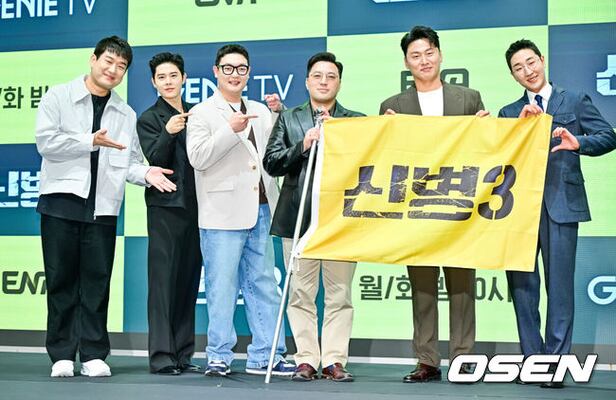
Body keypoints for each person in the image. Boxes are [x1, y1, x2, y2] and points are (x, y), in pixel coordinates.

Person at [35, 36, 176, 378]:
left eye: (121, 66)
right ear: (93, 59)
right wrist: (89, 141)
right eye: (108, 62)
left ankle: (94, 353)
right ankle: (62, 355)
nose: (113, 70)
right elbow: (46, 143)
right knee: (61, 282)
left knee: (97, 283)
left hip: (103, 209)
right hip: (61, 203)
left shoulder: (125, 113)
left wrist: (147, 173)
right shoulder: (58, 96)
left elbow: (128, 161)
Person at [499, 39, 616, 389]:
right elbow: (499, 158)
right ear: (512, 75)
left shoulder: (574, 99)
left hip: (562, 204)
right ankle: (531, 360)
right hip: (518, 211)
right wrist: (518, 130)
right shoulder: (509, 112)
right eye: (518, 68)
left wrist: (579, 142)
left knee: (560, 288)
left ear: (542, 60)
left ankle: (554, 363)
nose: (527, 71)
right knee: (522, 289)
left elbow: (608, 136)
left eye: (530, 62)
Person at [379, 26, 488, 383]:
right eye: (415, 55)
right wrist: (383, 131)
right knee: (423, 287)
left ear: (440, 54)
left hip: (460, 207)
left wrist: (486, 129)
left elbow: (486, 151)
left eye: (429, 53)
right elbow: (384, 159)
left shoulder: (468, 99)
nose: (424, 60)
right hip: (417, 211)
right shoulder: (393, 106)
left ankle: (463, 358)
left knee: (463, 286)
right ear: (406, 62)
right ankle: (427, 359)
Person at [186, 44, 294, 377]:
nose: (235, 74)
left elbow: (275, 153)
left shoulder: (260, 110)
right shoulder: (203, 112)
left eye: (242, 68)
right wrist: (229, 130)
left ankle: (267, 354)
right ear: (216, 71)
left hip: (261, 209)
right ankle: (219, 355)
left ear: (249, 73)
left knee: (264, 284)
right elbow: (198, 158)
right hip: (221, 213)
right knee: (222, 287)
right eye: (228, 68)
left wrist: (280, 114)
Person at [263, 52, 365, 382]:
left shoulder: (356, 121)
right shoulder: (289, 118)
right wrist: (303, 145)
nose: (324, 81)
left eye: (331, 76)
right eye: (318, 76)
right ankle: (306, 359)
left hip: (340, 221)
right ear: (307, 81)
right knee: (300, 293)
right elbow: (272, 163)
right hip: (298, 218)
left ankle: (334, 360)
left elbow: (369, 165)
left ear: (339, 83)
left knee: (339, 294)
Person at [136, 52, 202, 375]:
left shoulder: (197, 114)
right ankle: (162, 356)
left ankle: (183, 353)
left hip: (198, 208)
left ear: (184, 78)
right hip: (165, 208)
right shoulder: (149, 118)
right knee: (163, 283)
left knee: (188, 281)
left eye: (173, 75)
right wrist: (169, 131)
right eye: (161, 77)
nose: (168, 82)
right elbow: (155, 159)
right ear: (153, 82)